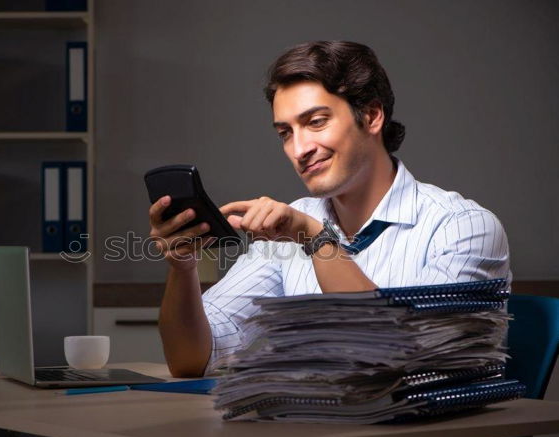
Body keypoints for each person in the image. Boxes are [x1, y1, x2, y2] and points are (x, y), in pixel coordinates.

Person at [148, 41, 511, 377]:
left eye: (316, 122)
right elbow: (192, 360)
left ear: (371, 117)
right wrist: (183, 269)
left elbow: (402, 359)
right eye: (285, 133)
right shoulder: (292, 225)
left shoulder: (464, 226)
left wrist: (315, 239)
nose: (298, 149)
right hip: (318, 436)